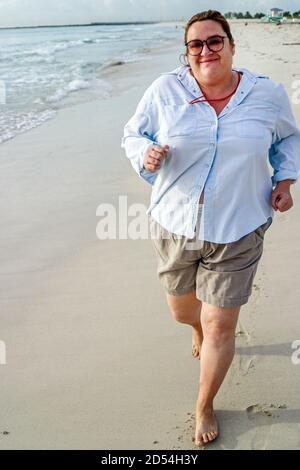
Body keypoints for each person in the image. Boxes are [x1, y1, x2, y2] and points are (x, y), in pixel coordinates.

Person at [121, 10, 300, 446]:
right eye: (196, 44)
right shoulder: (166, 90)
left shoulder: (265, 94)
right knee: (184, 312)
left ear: (232, 46)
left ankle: (204, 404)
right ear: (187, 53)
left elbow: (289, 138)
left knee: (222, 325)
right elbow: (132, 132)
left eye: (215, 41)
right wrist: (145, 153)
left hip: (239, 226)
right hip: (175, 223)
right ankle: (197, 329)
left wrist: (284, 179)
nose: (206, 50)